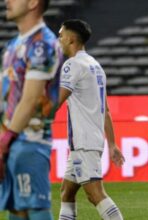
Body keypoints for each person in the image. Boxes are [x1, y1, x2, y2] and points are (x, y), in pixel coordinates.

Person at [0, 0, 63, 219]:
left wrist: (4, 141)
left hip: (29, 141)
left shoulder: (42, 44)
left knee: (35, 210)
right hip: (11, 144)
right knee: (17, 211)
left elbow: (29, 100)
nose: (7, 1)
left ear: (33, 3)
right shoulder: (13, 45)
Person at [57, 19, 125, 220]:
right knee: (66, 192)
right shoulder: (95, 66)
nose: (58, 40)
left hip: (84, 142)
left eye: (61, 35)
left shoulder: (72, 65)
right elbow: (106, 110)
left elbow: (56, 102)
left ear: (70, 39)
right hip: (88, 141)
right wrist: (112, 143)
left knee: (96, 194)